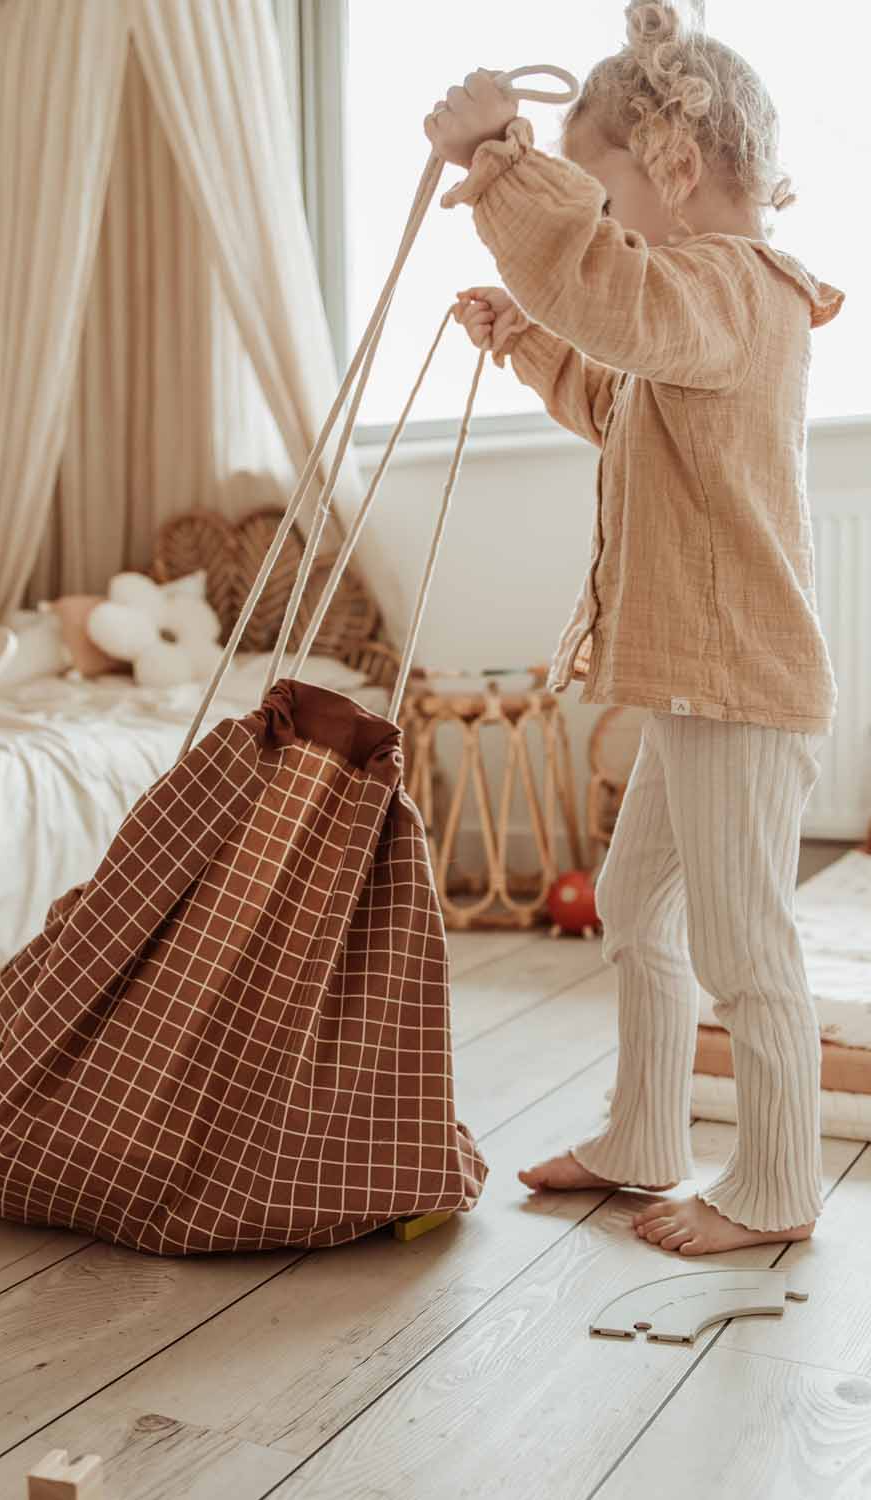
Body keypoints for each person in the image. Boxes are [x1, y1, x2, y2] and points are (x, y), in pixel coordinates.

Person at [426, 0, 843, 1255]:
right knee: (633, 898)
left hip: (739, 685)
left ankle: (776, 1185)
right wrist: (525, 343)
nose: (602, 226)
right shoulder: (704, 311)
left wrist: (499, 161)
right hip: (703, 682)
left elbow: (606, 295)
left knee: (742, 942)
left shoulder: (730, 285)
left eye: (605, 197)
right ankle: (645, 1134)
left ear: (674, 164)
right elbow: (621, 398)